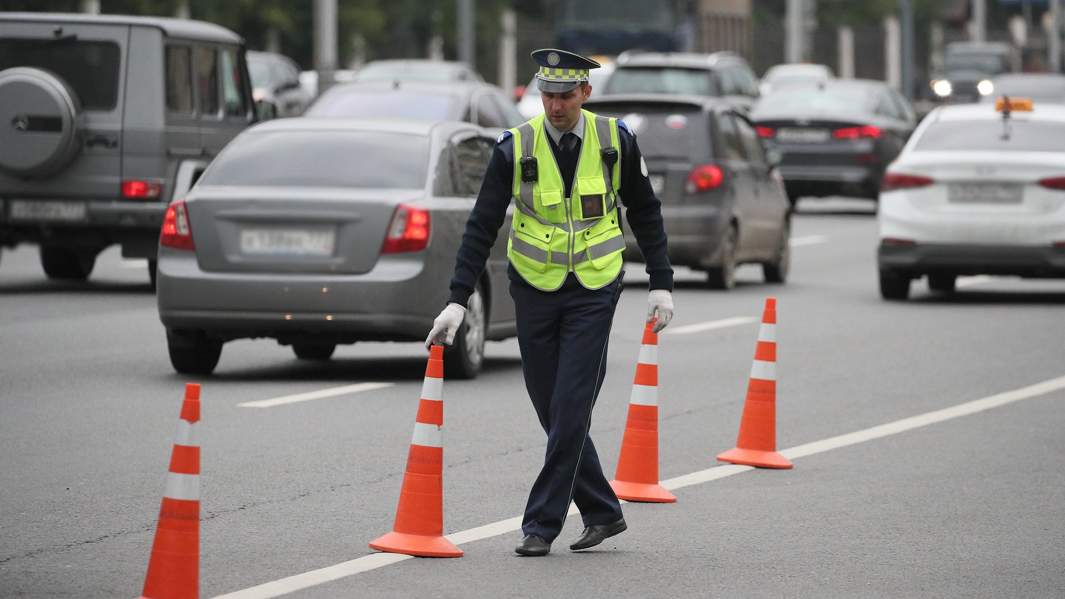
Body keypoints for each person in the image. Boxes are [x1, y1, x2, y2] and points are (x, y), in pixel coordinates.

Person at [426, 48, 674, 557]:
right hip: (534, 287)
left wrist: (661, 282)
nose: (555, 106)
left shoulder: (614, 140)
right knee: (551, 407)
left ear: (585, 93)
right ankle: (603, 511)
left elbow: (645, 211)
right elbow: (481, 225)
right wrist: (457, 300)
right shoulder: (515, 147)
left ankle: (541, 524)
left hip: (594, 287)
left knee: (570, 404)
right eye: (547, 95)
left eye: (564, 96)